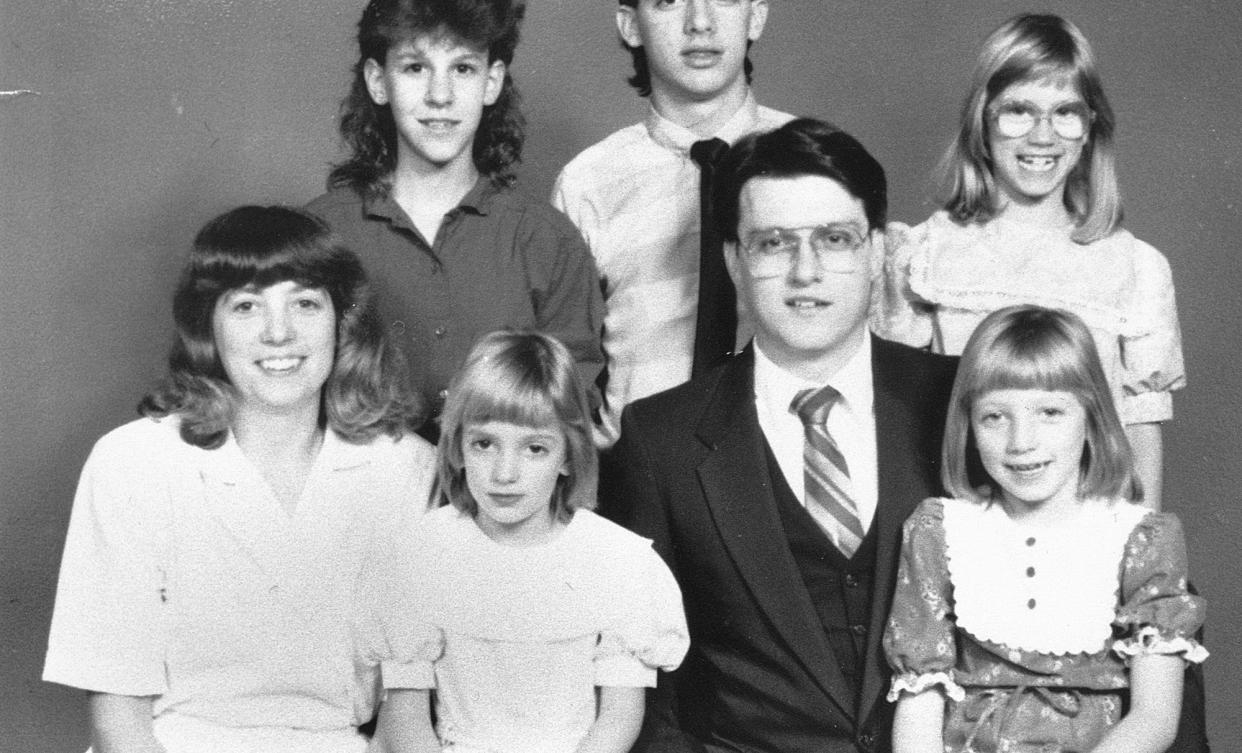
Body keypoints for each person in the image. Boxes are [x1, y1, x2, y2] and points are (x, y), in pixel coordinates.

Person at [605, 118, 959, 753]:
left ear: (877, 251)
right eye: (773, 244)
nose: (807, 271)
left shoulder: (966, 404)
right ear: (734, 261)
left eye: (835, 239)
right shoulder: (660, 442)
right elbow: (642, 695)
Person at [43, 206, 438, 753]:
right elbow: (119, 719)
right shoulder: (131, 463)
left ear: (342, 320)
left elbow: (404, 711)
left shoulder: (407, 469)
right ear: (208, 326)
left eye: (304, 303)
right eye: (247, 306)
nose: (279, 333)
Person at [872, 14, 1183, 508]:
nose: (1043, 136)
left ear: (1089, 129)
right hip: (964, 536)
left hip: (1085, 544)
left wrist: (1138, 562)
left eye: (1065, 112)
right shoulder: (925, 256)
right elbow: (898, 428)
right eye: (1019, 111)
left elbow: (1141, 439)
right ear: (983, 122)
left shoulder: (1135, 268)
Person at [884, 305, 1207, 753]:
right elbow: (920, 703)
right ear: (969, 426)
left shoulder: (1140, 539)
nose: (1021, 441)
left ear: (1092, 419)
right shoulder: (941, 531)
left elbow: (1154, 719)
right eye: (995, 416)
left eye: (1050, 412)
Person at [309, 0, 603, 439]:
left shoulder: (548, 242)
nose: (440, 95)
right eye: (415, 67)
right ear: (378, 81)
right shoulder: (322, 236)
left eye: (463, 68)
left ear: (492, 82)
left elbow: (569, 415)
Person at [364, 331, 689, 753]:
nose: (505, 473)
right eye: (484, 444)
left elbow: (619, 719)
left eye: (534, 449)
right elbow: (406, 722)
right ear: (458, 447)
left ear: (569, 456)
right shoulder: (422, 553)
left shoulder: (615, 560)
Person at [553, 0, 793, 448]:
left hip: (785, 476)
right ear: (629, 24)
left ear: (755, 16)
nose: (700, 24)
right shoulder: (588, 183)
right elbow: (570, 372)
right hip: (636, 483)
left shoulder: (814, 162)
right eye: (669, 0)